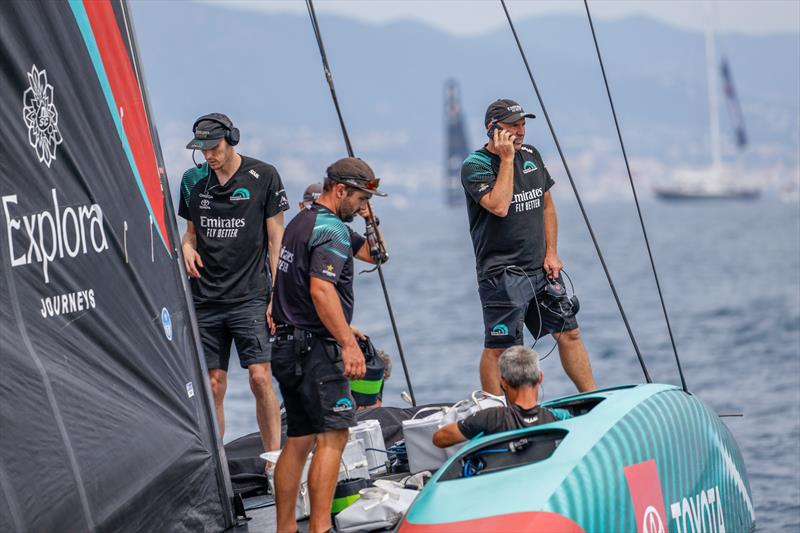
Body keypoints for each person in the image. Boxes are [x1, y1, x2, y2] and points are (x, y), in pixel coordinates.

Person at [271, 157, 387, 533]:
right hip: (316, 351)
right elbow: (321, 290)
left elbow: (377, 255)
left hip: (286, 347)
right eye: (357, 199)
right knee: (333, 437)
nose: (359, 206)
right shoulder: (331, 230)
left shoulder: (303, 222)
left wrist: (370, 217)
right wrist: (347, 343)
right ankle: (320, 528)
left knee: (299, 440)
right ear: (340, 190)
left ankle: (285, 528)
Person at [461, 98, 596, 395]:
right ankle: (495, 411)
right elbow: (498, 206)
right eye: (513, 126)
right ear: (493, 129)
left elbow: (546, 204)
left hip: (541, 269)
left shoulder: (532, 155)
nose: (521, 131)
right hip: (503, 274)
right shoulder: (475, 165)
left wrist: (551, 252)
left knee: (569, 333)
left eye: (523, 124)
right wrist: (507, 160)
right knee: (501, 348)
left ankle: (592, 397)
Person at [178, 113, 289, 454]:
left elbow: (276, 239)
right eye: (202, 149)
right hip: (206, 298)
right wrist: (186, 248)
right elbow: (191, 234)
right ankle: (219, 464)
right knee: (213, 386)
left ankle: (272, 460)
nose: (209, 155)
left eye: (214, 147)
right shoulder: (192, 181)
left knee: (259, 376)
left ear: (231, 140)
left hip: (251, 296)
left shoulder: (263, 175)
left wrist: (277, 295)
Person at [433, 346, 570, 448]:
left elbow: (439, 438)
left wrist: (475, 424)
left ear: (503, 382)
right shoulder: (559, 417)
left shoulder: (490, 418)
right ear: (540, 377)